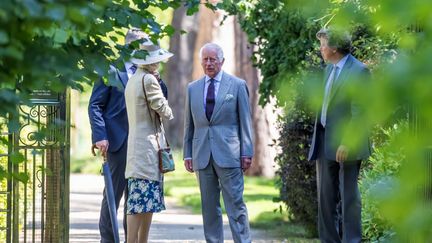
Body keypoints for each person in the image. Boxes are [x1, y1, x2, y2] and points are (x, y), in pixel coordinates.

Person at [183, 43, 254, 243]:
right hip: (202, 154)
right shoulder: (192, 88)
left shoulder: (237, 85)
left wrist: (246, 152)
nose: (208, 63)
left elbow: (245, 121)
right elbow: (189, 124)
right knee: (209, 206)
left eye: (212, 59)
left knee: (235, 204)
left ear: (222, 61)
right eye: (205, 59)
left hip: (230, 154)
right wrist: (187, 153)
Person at [308, 27, 371, 243]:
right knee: (326, 199)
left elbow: (360, 111)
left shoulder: (360, 71)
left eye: (323, 44)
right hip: (325, 141)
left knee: (349, 197)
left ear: (334, 47)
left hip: (347, 143)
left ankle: (351, 241)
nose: (320, 49)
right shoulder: (329, 69)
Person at [88, 28, 151, 242]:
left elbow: (162, 100)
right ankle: (108, 239)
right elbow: (95, 105)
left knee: (135, 196)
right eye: (143, 45)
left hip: (141, 143)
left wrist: (157, 79)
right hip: (117, 142)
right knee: (113, 195)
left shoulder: (148, 70)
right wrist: (100, 135)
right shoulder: (111, 69)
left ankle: (130, 239)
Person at [124, 36, 173, 243]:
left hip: (136, 147)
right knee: (141, 200)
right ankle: (136, 241)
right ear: (152, 61)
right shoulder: (149, 80)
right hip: (148, 149)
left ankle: (135, 241)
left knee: (140, 199)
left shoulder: (133, 79)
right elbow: (166, 111)